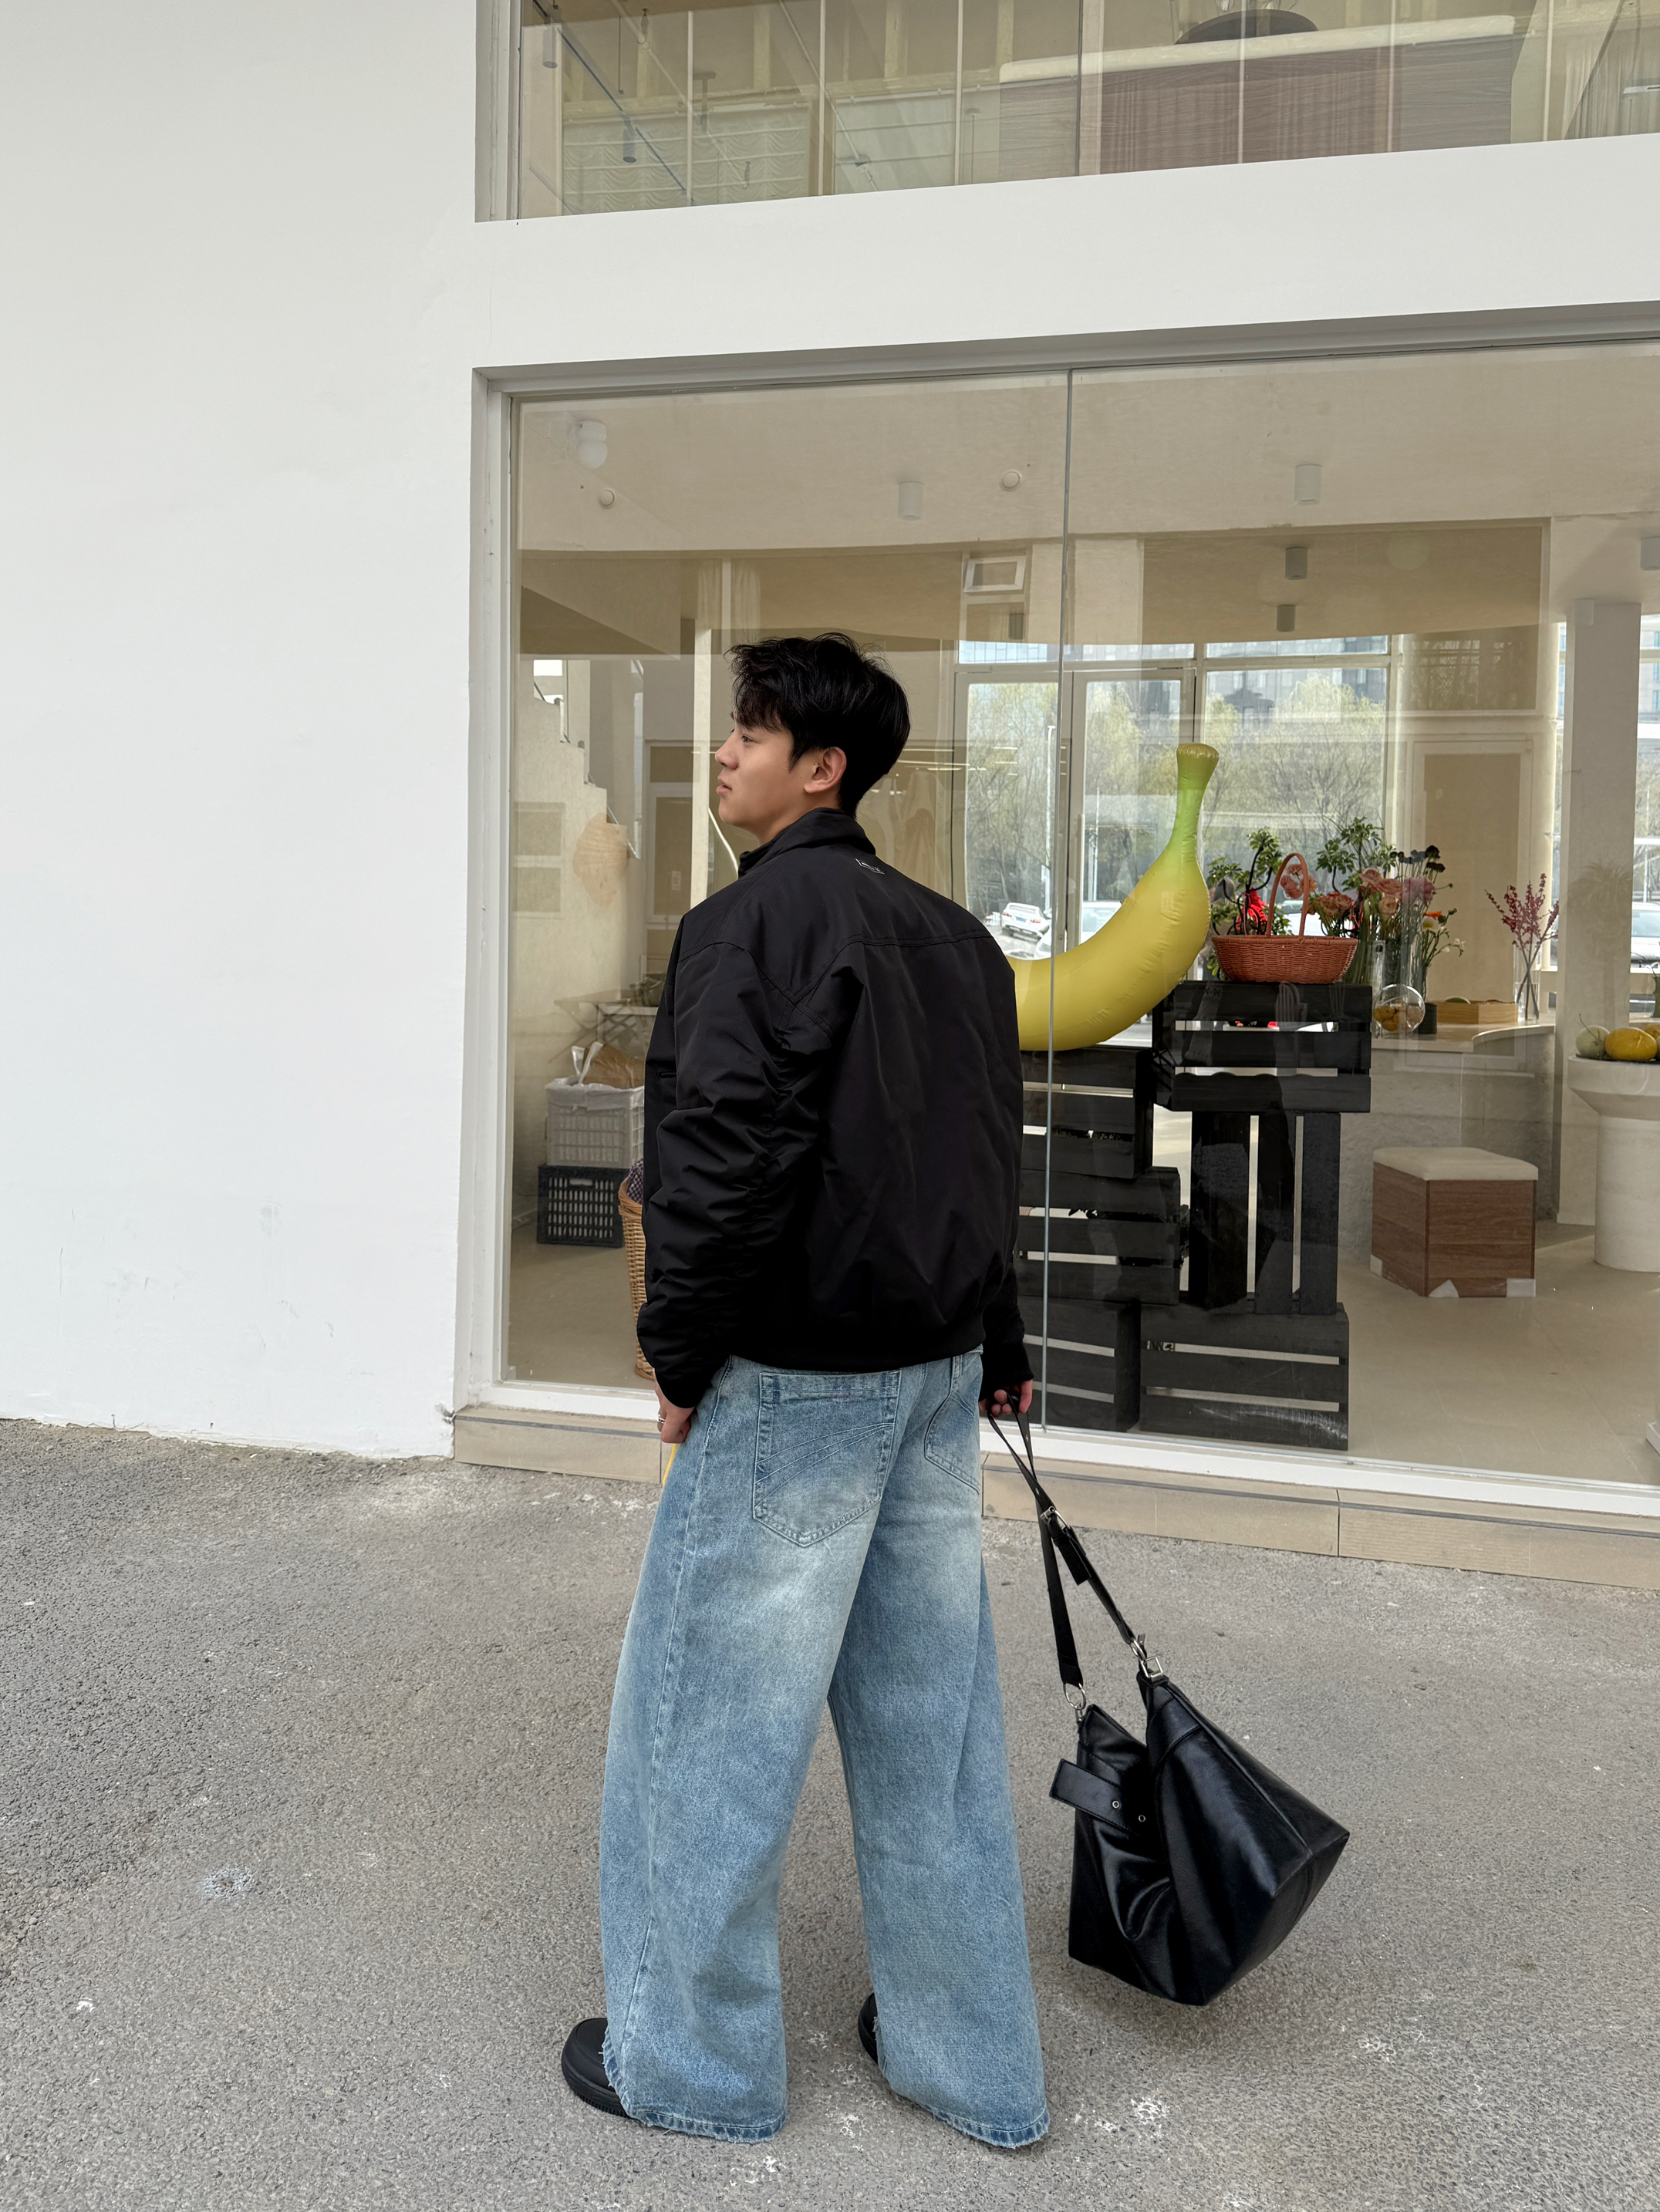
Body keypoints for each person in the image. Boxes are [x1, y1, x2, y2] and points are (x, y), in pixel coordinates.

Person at [561, 632, 1046, 2149]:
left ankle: (693, 2070)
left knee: (705, 1731)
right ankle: (974, 2066)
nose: (724, 753)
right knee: (932, 1740)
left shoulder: (746, 926)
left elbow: (720, 1160)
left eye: (752, 734)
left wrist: (677, 1354)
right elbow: (983, 1156)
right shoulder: (958, 943)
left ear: (821, 767)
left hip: (796, 1383)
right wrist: (1000, 1342)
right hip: (932, 1379)